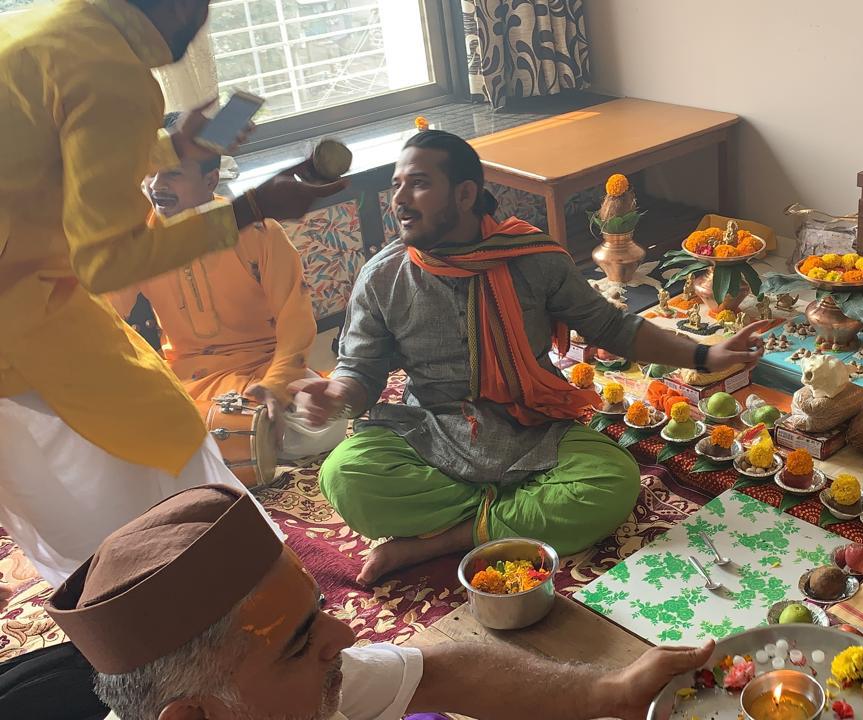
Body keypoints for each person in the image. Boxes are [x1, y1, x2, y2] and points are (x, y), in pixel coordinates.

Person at [294, 130, 765, 585]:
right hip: (430, 428)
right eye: (396, 185)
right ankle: (512, 513)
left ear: (464, 194)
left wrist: (705, 354)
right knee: (345, 476)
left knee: (613, 482)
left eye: (417, 184)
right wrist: (334, 396)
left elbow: (612, 327)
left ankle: (444, 537)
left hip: (530, 427)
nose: (398, 200)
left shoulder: (532, 257)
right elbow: (361, 370)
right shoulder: (384, 276)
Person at [0, 0, 344, 584]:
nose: (202, 19)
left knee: (69, 474)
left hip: (245, 366)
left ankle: (124, 594)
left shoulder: (38, 27)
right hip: (30, 324)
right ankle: (195, 587)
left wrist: (278, 383)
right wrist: (250, 207)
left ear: (210, 179)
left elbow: (55, 159)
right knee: (164, 441)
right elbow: (107, 268)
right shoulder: (109, 70)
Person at [45, 485, 713, 720]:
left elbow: (442, 671)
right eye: (300, 641)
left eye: (318, 610)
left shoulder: (282, 698)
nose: (343, 632)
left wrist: (610, 693)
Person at [109, 112, 348, 461]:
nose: (156, 184)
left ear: (210, 181)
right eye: (150, 171)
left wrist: (276, 384)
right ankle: (230, 441)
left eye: (172, 173)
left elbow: (295, 322)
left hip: (263, 367)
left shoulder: (258, 231)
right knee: (111, 420)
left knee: (326, 423)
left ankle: (218, 443)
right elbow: (106, 314)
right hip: (188, 375)